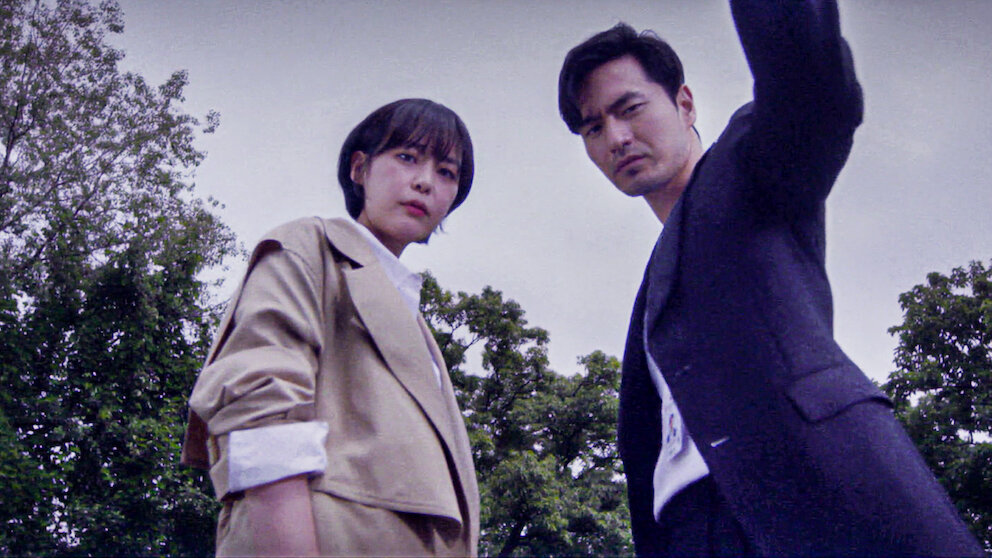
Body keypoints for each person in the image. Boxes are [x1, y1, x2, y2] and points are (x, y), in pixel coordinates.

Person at [558, 2, 983, 556]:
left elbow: (810, 85)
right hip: (691, 530)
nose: (616, 137)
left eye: (629, 108)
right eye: (593, 128)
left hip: (810, 497)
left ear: (684, 104)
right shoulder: (652, 293)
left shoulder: (749, 168)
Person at [180, 98, 479, 556]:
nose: (425, 181)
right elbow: (260, 409)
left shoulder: (414, 319)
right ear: (360, 168)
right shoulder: (311, 246)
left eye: (446, 172)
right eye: (407, 157)